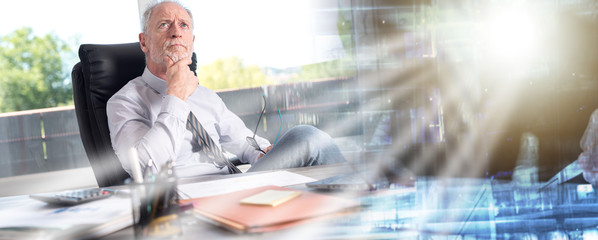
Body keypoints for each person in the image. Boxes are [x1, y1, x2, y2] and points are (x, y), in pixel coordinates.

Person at [106, 0, 345, 178]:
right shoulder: (125, 101)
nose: (176, 31)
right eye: (164, 24)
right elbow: (144, 165)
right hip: (187, 199)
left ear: (192, 40)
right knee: (307, 137)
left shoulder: (205, 96)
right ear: (144, 41)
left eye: (184, 25)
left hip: (235, 184)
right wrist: (176, 95)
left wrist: (263, 151)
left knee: (308, 152)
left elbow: (242, 139)